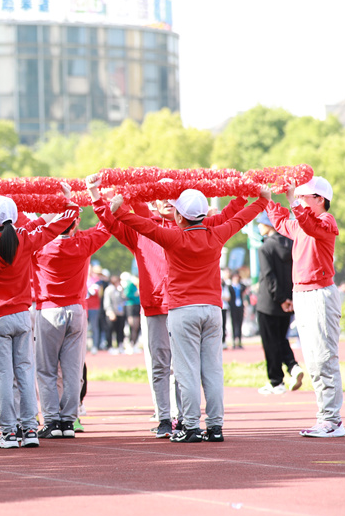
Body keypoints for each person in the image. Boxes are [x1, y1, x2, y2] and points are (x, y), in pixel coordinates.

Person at [110, 186, 270, 443]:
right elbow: (241, 217)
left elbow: (140, 225)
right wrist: (262, 200)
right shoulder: (216, 234)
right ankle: (215, 427)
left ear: (180, 217)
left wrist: (118, 208)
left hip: (183, 310)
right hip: (213, 309)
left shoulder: (172, 237)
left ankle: (192, 427)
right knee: (213, 371)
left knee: (186, 371)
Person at [0, 191, 78, 449]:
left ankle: (9, 432)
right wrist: (69, 200)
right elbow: (66, 219)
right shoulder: (25, 237)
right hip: (22, 316)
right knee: (25, 374)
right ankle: (29, 430)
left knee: (1, 377)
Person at [267, 176, 345, 438]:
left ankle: (332, 419)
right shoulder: (302, 225)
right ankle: (325, 416)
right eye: (298, 197)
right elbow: (280, 222)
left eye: (303, 197)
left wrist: (291, 200)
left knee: (324, 356)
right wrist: (266, 199)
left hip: (320, 293)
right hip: (302, 294)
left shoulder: (325, 222)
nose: (298, 200)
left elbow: (309, 225)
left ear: (320, 199)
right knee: (312, 360)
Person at [32, 204, 110, 439]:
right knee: (73, 369)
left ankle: (52, 420)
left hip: (48, 310)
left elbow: (23, 232)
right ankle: (68, 420)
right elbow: (106, 227)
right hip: (77, 309)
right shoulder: (83, 243)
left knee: (46, 370)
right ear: (75, 224)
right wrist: (101, 203)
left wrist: (44, 218)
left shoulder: (40, 246)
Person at [254, 212, 301, 395]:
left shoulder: (265, 248)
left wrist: (279, 298)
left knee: (270, 342)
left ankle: (276, 382)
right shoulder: (292, 245)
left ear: (269, 225)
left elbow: (268, 276)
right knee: (281, 338)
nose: (258, 226)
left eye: (260, 223)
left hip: (269, 302)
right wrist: (288, 298)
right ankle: (292, 366)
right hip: (289, 301)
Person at [227, 272, 247, 349]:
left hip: (240, 307)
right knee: (234, 324)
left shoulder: (240, 287)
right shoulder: (230, 287)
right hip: (233, 307)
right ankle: (234, 341)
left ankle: (239, 341)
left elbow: (245, 287)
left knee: (240, 323)